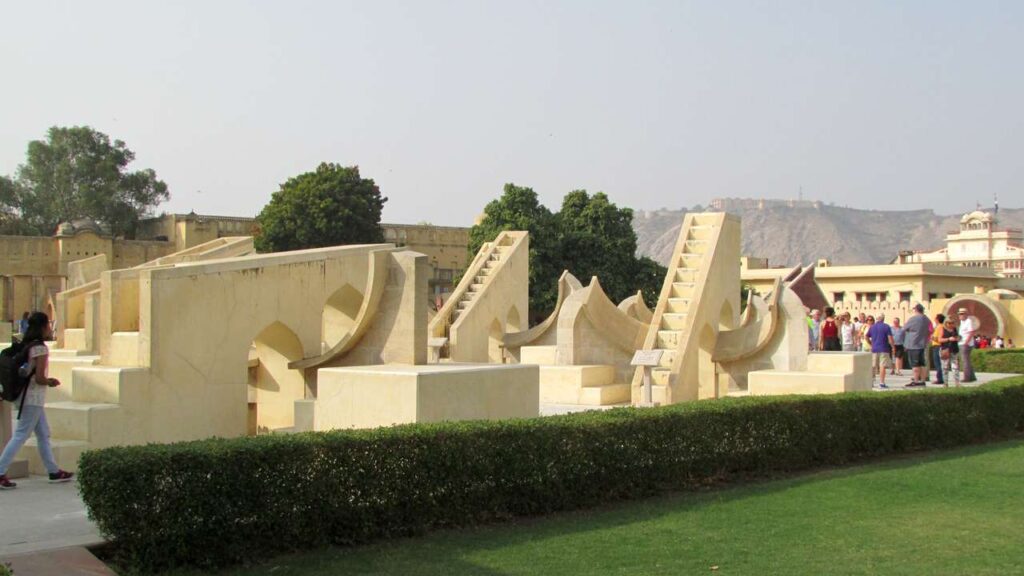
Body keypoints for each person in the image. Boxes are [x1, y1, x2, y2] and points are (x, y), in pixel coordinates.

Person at [0, 312, 75, 489]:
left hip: (27, 397)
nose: (50, 328)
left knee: (43, 433)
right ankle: (0, 471)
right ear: (42, 327)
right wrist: (51, 381)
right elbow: (40, 377)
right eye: (48, 325)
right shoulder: (40, 349)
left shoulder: (27, 345)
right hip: (32, 397)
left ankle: (53, 471)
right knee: (21, 435)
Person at [902, 303, 931, 387]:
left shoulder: (913, 319)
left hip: (913, 344)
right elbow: (929, 331)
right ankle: (922, 380)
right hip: (922, 343)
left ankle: (915, 380)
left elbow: (904, 328)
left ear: (916, 310)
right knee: (922, 363)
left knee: (915, 364)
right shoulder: (927, 319)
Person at [866, 314, 894, 388]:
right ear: (883, 319)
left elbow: (866, 336)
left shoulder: (872, 327)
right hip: (884, 348)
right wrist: (893, 347)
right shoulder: (886, 326)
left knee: (873, 366)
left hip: (874, 349)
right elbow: (890, 338)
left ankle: (870, 382)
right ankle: (881, 383)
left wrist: (870, 343)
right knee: (882, 366)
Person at [938, 317, 961, 387]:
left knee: (955, 367)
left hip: (954, 350)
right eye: (949, 323)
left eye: (952, 323)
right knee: (945, 367)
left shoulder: (955, 329)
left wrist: (958, 338)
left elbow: (959, 337)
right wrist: (948, 339)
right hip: (945, 350)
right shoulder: (942, 329)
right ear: (946, 323)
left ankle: (957, 383)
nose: (951, 324)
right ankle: (945, 383)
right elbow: (939, 339)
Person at [958, 308, 977, 382]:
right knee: (967, 360)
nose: (960, 315)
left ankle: (967, 377)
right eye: (960, 314)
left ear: (966, 314)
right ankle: (972, 376)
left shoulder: (968, 321)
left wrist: (966, 342)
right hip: (961, 342)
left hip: (966, 344)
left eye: (962, 314)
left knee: (965, 361)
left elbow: (971, 332)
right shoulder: (962, 322)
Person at [930, 313, 946, 386]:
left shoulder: (940, 327)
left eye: (935, 318)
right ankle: (940, 378)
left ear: (937, 319)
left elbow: (939, 338)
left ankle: (940, 379)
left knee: (938, 363)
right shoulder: (938, 327)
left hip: (938, 346)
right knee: (938, 363)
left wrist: (933, 338)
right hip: (936, 346)